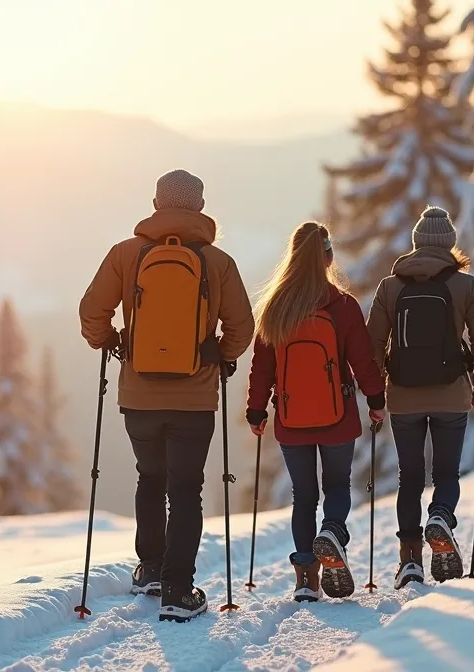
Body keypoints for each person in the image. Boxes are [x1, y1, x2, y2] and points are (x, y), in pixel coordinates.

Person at [79, 169, 254, 622]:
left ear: (156, 204)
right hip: (194, 398)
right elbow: (242, 327)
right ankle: (178, 589)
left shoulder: (126, 254)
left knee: (150, 478)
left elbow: (92, 310)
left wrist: (109, 341)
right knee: (186, 489)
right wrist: (219, 354)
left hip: (139, 395)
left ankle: (150, 570)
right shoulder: (218, 262)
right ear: (200, 206)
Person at [245, 221, 386, 602]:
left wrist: (256, 411)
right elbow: (363, 361)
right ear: (328, 258)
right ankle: (333, 532)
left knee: (303, 496)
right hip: (337, 416)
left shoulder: (275, 307)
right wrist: (376, 400)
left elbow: (262, 367)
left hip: (292, 420)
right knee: (337, 486)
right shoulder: (342, 306)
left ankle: (306, 578)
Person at [366, 206, 474, 588]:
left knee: (409, 477)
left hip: (403, 396)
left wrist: (377, 393)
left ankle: (410, 560)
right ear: (450, 243)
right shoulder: (465, 285)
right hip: (452, 394)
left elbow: (373, 344)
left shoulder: (390, 286)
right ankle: (440, 515)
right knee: (446, 473)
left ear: (416, 242)